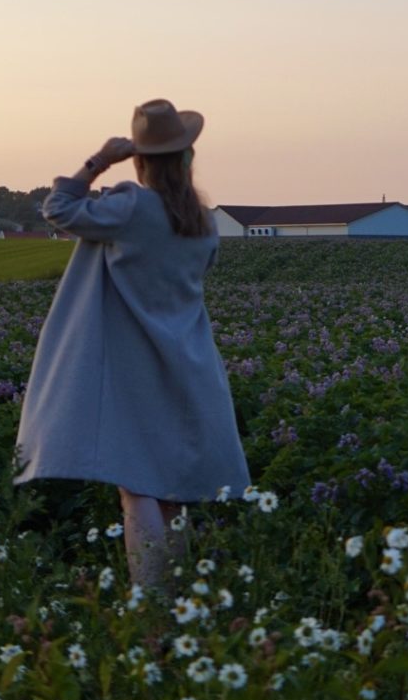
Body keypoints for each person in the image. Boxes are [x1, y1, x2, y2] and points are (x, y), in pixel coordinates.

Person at [13, 99, 251, 588]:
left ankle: (151, 607)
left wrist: (99, 160)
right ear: (187, 159)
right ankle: (179, 597)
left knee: (138, 484)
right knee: (173, 490)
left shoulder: (131, 206)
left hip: (133, 364)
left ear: (141, 159)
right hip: (189, 360)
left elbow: (59, 209)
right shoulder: (202, 220)